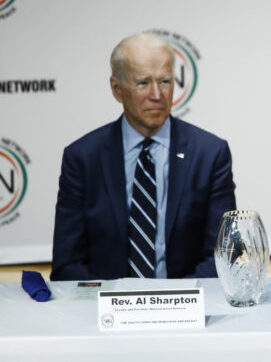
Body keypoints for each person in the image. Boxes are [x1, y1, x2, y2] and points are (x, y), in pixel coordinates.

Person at [51, 33, 236, 280]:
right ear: (117, 90)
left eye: (165, 82)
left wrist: (170, 302)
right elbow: (67, 265)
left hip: (184, 308)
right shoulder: (83, 159)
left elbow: (224, 257)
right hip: (106, 310)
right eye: (143, 83)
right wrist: (119, 302)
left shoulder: (210, 154)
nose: (157, 95)